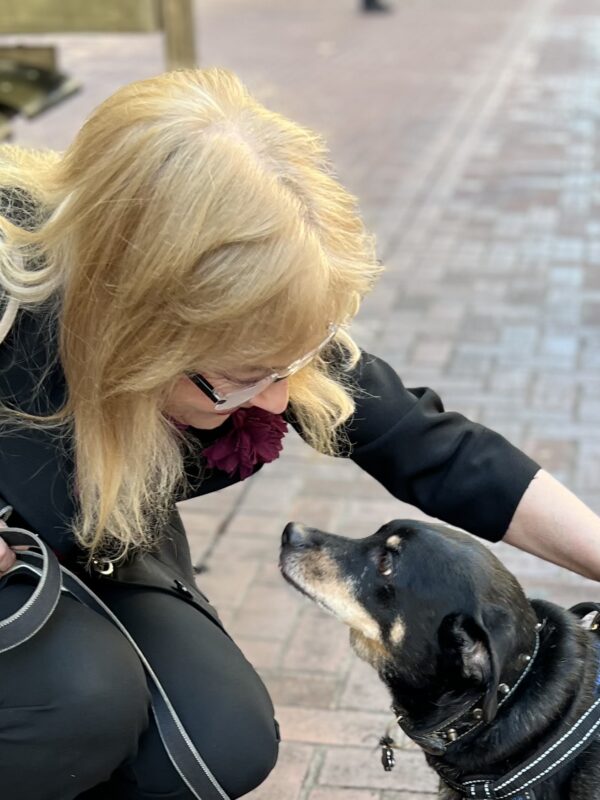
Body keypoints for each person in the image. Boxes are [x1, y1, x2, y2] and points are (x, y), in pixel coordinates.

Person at [0, 68, 598, 800]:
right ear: (139, 324)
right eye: (246, 376)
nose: (280, 398)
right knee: (83, 703)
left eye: (290, 364)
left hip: (101, 532)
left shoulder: (260, 344)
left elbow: (430, 446)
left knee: (221, 742)